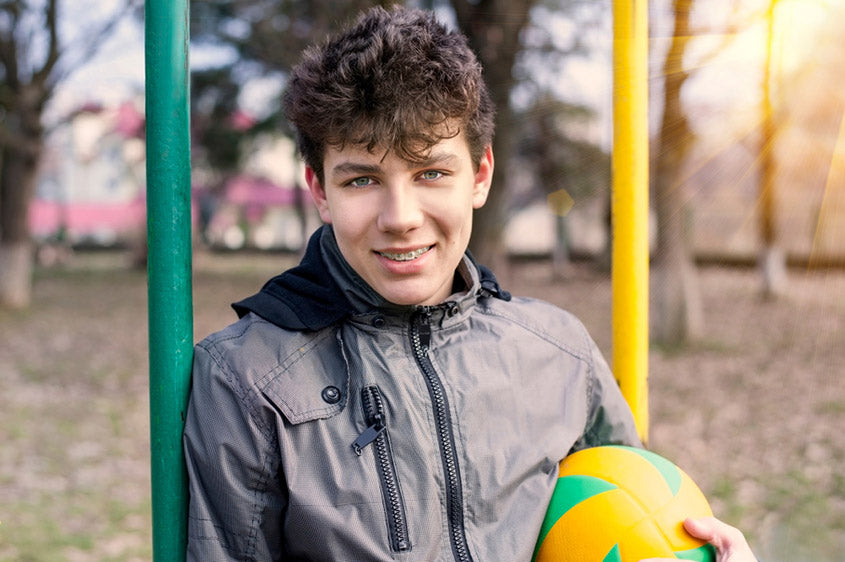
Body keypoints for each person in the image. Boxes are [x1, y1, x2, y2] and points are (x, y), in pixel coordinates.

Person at [183, 6, 755, 561]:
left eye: (431, 172)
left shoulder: (558, 353)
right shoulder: (245, 378)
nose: (400, 216)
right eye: (361, 179)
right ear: (318, 188)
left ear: (479, 175)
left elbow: (628, 531)